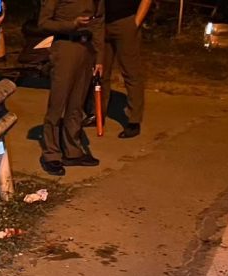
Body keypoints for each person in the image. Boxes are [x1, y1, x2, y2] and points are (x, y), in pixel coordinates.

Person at [36, 0, 105, 176]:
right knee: (58, 102)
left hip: (86, 49)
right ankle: (51, 154)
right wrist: (72, 25)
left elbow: (98, 23)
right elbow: (43, 23)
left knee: (77, 103)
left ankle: (72, 150)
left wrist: (99, 57)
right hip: (65, 47)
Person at [98, 0, 150, 138]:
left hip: (125, 21)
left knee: (131, 72)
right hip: (102, 22)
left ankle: (134, 120)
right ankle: (98, 113)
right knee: (100, 72)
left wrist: (136, 22)